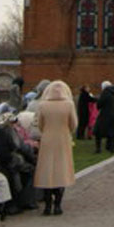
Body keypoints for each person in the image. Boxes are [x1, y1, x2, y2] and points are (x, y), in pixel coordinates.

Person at [34, 80, 77, 216]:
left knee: (47, 172)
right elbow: (74, 123)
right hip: (63, 139)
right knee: (61, 171)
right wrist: (66, 131)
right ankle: (58, 205)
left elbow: (39, 124)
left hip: (47, 139)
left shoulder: (43, 105)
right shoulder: (69, 105)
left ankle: (47, 206)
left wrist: (46, 131)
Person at [0, 112, 36, 212]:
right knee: (28, 170)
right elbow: (18, 147)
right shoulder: (6, 132)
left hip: (3, 161)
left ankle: (20, 202)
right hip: (5, 163)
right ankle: (24, 201)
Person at [94, 80, 114, 153]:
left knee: (98, 132)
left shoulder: (105, 93)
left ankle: (98, 149)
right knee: (112, 132)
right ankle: (111, 148)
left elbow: (99, 104)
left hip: (104, 115)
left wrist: (98, 103)